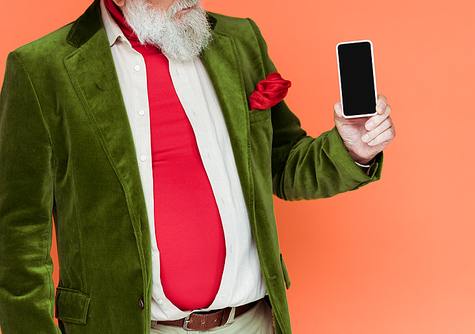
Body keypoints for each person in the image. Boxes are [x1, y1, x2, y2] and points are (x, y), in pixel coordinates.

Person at [0, 0, 395, 333]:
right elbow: (17, 238)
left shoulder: (239, 41)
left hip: (252, 322)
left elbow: (284, 164)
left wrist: (352, 148)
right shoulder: (41, 69)